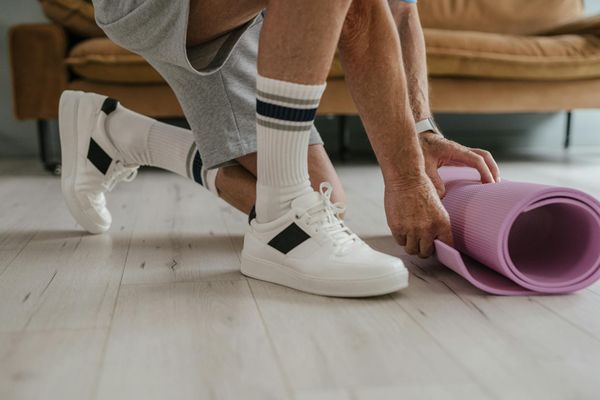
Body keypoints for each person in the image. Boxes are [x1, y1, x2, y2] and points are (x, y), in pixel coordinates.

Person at [59, 0, 501, 297]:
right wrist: (406, 180)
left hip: (264, 15)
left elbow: (397, 11)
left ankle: (116, 137)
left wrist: (423, 133)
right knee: (293, 207)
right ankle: (280, 216)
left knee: (327, 201)